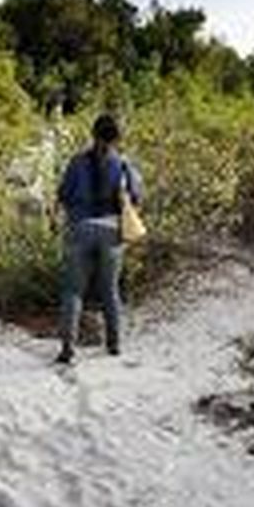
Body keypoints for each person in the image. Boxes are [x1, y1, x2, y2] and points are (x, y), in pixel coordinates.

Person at [55, 113, 144, 365]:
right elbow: (136, 198)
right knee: (110, 290)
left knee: (73, 290)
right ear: (117, 138)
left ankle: (67, 349)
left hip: (80, 228)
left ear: (93, 134)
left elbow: (63, 194)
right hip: (112, 230)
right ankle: (114, 345)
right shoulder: (124, 164)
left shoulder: (76, 162)